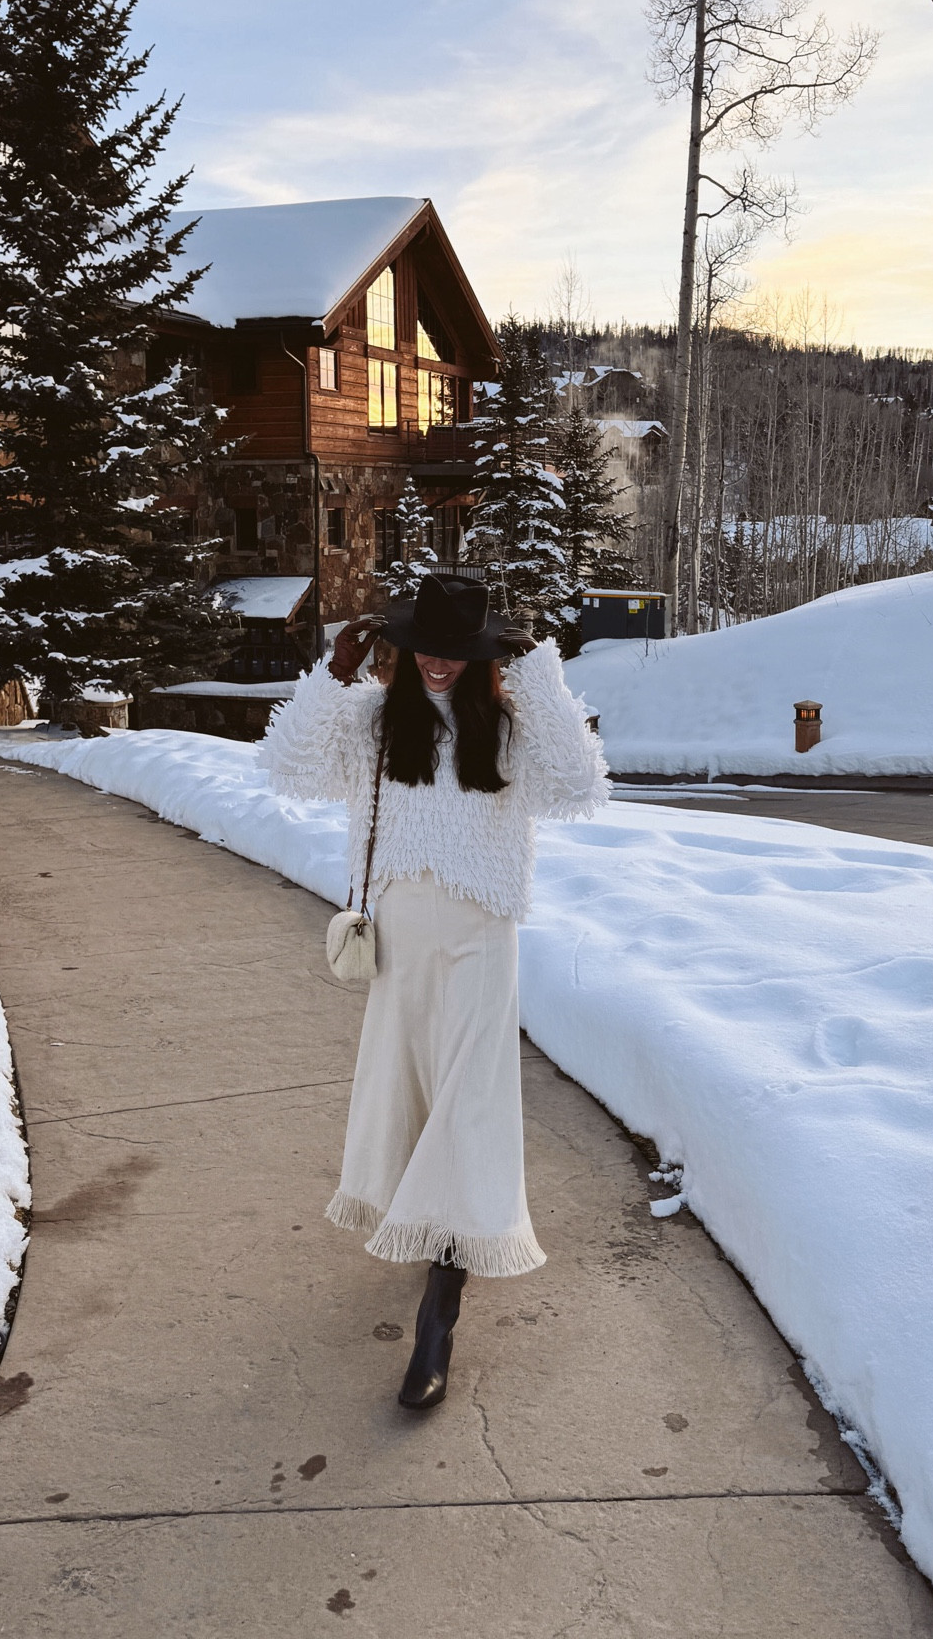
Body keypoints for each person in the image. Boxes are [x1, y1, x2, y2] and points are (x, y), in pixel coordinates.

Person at [259, 572, 609, 1410]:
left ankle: (440, 1309)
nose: (441, 666)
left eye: (460, 652)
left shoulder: (510, 728)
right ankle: (429, 1237)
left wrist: (540, 675)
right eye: (427, 650)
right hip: (404, 938)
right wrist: (333, 672)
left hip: (483, 937)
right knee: (412, 1096)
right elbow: (287, 767)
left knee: (468, 1102)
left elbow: (578, 788)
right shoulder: (377, 722)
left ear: (486, 655)